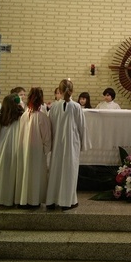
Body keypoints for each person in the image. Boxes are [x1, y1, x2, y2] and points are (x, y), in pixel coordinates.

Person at [46, 79, 89, 210]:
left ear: (59, 90)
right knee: (69, 171)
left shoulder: (54, 106)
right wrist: (84, 143)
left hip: (58, 142)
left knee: (55, 171)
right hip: (71, 144)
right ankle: (67, 202)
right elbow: (82, 126)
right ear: (72, 91)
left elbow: (50, 125)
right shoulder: (76, 106)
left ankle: (51, 200)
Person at [15, 87, 52, 207]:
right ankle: (34, 201)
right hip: (37, 151)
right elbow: (47, 138)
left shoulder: (24, 115)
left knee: (25, 173)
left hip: (24, 149)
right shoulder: (42, 117)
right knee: (35, 175)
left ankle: (23, 200)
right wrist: (46, 151)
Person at [0, 93, 24, 206]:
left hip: (3, 146)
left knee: (2, 170)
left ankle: (0, 198)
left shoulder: (2, 115)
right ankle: (13, 199)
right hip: (16, 145)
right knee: (14, 171)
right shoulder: (21, 115)